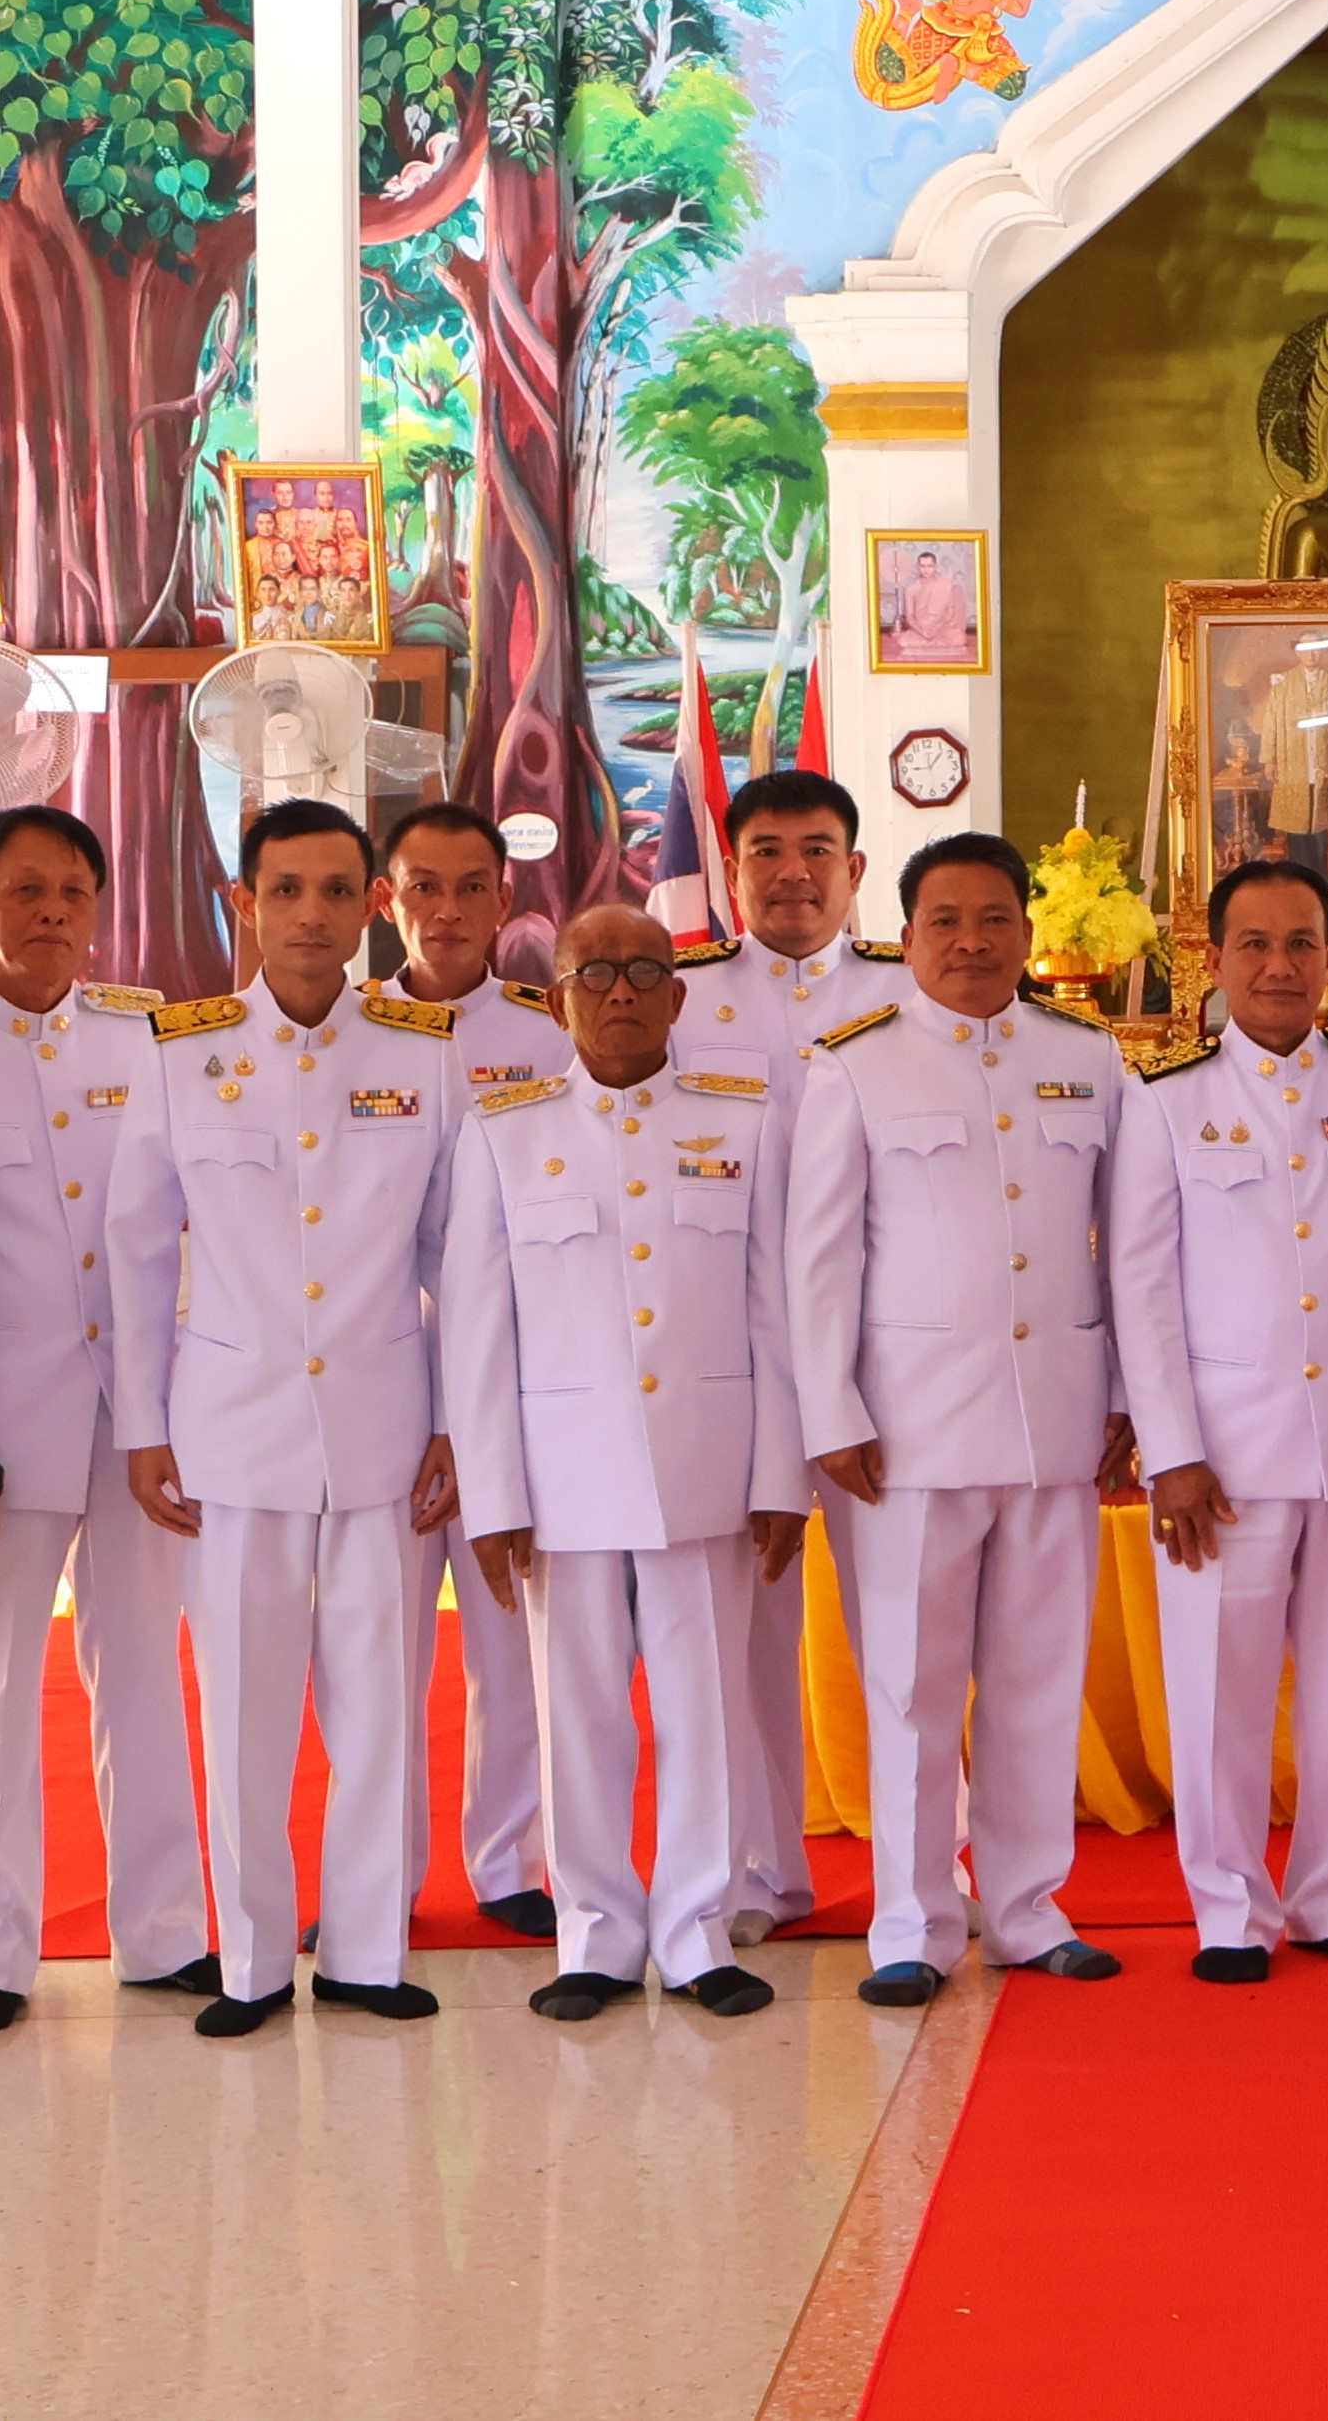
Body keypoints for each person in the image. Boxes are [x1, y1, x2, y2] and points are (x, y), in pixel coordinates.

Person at [107, 799, 470, 2038]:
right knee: (243, 1708)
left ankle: (367, 1951)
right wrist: (142, 1426)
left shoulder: (423, 1053)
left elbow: (457, 1257)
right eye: (285, 890)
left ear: (374, 905)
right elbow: (137, 1253)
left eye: (335, 891)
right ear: (244, 903)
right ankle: (252, 1962)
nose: (311, 914)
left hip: (385, 1428)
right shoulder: (179, 1052)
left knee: (381, 1704)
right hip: (231, 1431)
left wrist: (456, 1420)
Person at [0, 803, 212, 2015]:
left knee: (147, 1669)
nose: (51, 912)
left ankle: (164, 1933)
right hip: (1, 1428)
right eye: (24, 891)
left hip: (144, 1416)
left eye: (72, 892)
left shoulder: (151, 1036)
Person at [440, 904, 806, 2020]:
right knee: (579, 1715)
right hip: (564, 1482)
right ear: (558, 1000)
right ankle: (594, 1934)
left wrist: (780, 1477)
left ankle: (698, 1933)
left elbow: (775, 1313)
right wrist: (493, 1495)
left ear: (678, 994)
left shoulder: (743, 1122)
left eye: (645, 971)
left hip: (708, 1471)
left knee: (707, 1713)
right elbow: (477, 1330)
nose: (620, 993)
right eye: (594, 974)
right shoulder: (504, 1130)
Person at [791, 830, 1132, 2005]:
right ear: (906, 936)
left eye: (996, 919)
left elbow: (1128, 1245)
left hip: (1055, 1422)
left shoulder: (1087, 1057)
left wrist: (1123, 1395)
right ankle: (914, 1922)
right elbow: (819, 1256)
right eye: (946, 920)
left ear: (1031, 933)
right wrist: (830, 1407)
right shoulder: (856, 1065)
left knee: (1038, 1679)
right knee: (912, 1687)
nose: (973, 941)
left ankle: (1030, 1910)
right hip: (908, 1436)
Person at [1110, 856, 1328, 1984]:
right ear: (1214, 960)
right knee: (1219, 1690)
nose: (1279, 964)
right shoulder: (1165, 1098)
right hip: (1224, 1456)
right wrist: (1171, 1451)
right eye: (1253, 943)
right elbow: (1142, 1288)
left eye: (1302, 942)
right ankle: (1228, 1911)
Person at [674, 767, 905, 1941]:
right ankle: (763, 1874)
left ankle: (925, 1873)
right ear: (732, 870)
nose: (792, 873)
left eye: (817, 849)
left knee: (905, 1632)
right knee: (750, 1632)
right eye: (765, 850)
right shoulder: (682, 1000)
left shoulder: (911, 992)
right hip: (734, 1353)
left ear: (855, 870)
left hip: (888, 1359)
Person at [376, 797, 556, 1944]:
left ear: (504, 900)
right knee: (376, 1650)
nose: (446, 911)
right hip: (380, 1385)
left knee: (511, 1638)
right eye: (422, 888)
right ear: (386, 901)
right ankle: (377, 1879)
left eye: (469, 888)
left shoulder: (551, 1039)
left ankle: (512, 1864)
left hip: (514, 1388)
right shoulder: (344, 1034)